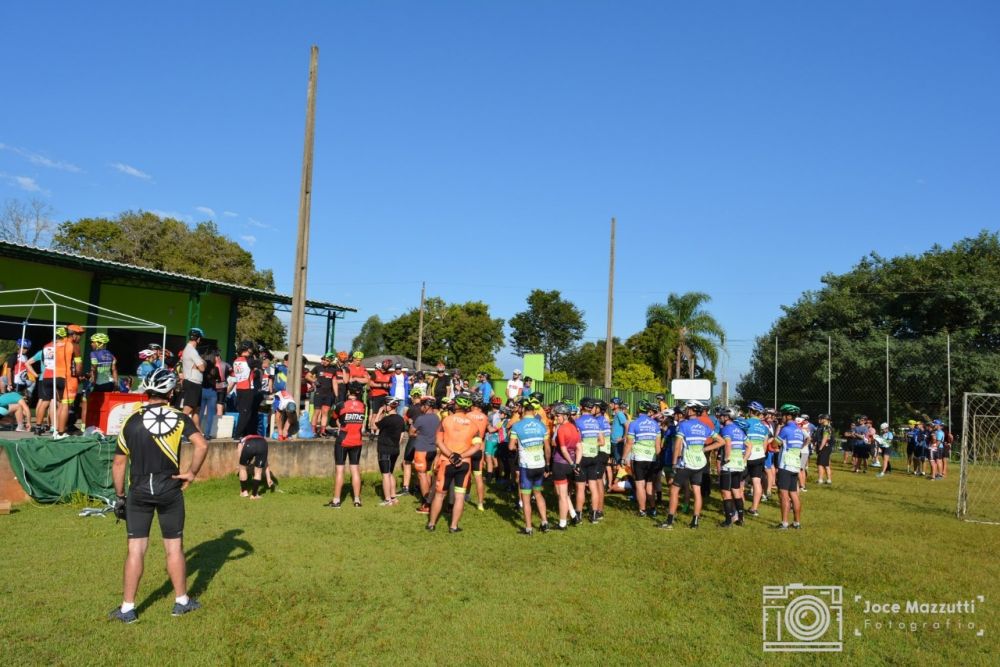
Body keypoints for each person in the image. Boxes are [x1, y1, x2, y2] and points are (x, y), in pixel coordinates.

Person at [108, 367, 208, 623]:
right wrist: (191, 473)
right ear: (171, 393)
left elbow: (119, 463)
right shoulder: (180, 417)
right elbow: (201, 445)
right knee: (174, 548)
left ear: (147, 391)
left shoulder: (131, 420)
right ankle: (181, 601)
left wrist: (120, 496)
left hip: (139, 490)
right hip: (169, 489)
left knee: (135, 550)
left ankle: (128, 608)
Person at [659, 400, 723, 529]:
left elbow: (677, 446)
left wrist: (674, 463)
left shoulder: (683, 425)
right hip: (700, 463)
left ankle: (670, 521)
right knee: (697, 491)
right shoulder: (704, 426)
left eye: (687, 408)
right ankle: (695, 522)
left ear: (692, 410)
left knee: (674, 490)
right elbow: (721, 441)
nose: (685, 410)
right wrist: (705, 449)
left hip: (686, 463)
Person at [427, 392, 482, 533]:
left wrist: (451, 455)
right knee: (459, 496)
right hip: (464, 463)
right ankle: (453, 526)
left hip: (447, 461)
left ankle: (431, 524)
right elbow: (477, 446)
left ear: (457, 405)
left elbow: (438, 441)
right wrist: (461, 456)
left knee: (440, 495)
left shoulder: (446, 420)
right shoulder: (474, 425)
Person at [508, 398, 550, 535]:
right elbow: (547, 448)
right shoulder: (542, 425)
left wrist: (517, 446)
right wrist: (548, 464)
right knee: (538, 493)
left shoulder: (517, 426)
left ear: (523, 410)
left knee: (526, 498)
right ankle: (544, 522)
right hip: (540, 464)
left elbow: (510, 446)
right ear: (534, 411)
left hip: (526, 466)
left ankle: (528, 528)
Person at [326, 382, 367, 508]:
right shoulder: (363, 406)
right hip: (357, 441)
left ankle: (336, 500)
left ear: (349, 392)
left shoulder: (341, 405)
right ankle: (357, 500)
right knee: (355, 469)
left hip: (343, 440)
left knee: (340, 470)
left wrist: (340, 424)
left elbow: (332, 421)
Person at [621, 400, 662, 518]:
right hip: (652, 458)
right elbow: (658, 445)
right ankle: (653, 508)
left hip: (639, 458)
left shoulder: (634, 423)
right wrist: (658, 458)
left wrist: (623, 458)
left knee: (640, 484)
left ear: (638, 410)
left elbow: (629, 443)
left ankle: (642, 510)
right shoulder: (655, 424)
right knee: (649, 484)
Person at [774, 403, 805, 529]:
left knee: (784, 494)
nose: (781, 417)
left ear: (788, 416)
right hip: (795, 465)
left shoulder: (785, 429)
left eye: (783, 415)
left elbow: (775, 444)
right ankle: (797, 523)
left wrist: (778, 431)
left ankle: (784, 523)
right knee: (794, 494)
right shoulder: (799, 430)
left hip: (785, 464)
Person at [574, 397, 606, 524]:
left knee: (580, 487)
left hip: (582, 457)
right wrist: (592, 444)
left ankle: (579, 515)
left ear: (582, 407)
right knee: (593, 486)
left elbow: (576, 441)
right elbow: (602, 442)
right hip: (594, 456)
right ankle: (594, 515)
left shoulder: (577, 422)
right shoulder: (597, 422)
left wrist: (584, 445)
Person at [549, 402, 581, 529]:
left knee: (561, 496)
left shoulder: (561, 429)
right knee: (563, 493)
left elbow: (562, 449)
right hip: (570, 464)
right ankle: (573, 515)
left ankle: (562, 523)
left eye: (558, 416)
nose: (556, 418)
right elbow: (579, 447)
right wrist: (576, 463)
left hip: (560, 464)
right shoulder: (574, 427)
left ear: (565, 416)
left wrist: (573, 464)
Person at [717, 407, 749, 527]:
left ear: (727, 417)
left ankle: (728, 520)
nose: (720, 418)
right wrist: (744, 459)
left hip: (729, 465)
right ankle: (740, 518)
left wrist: (726, 458)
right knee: (736, 491)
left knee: (726, 493)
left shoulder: (726, 429)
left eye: (721, 416)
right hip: (739, 465)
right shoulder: (739, 430)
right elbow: (749, 445)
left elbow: (728, 444)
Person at [409, 397, 441, 513]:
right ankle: (430, 500)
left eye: (422, 406)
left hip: (422, 449)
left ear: (426, 406)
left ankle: (426, 504)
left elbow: (411, 433)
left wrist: (418, 433)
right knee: (428, 474)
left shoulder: (420, 418)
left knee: (421, 475)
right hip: (433, 449)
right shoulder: (437, 418)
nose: (420, 408)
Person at [54, 324, 84, 440]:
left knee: (61, 404)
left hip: (57, 376)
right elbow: (78, 365)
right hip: (69, 378)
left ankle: (57, 430)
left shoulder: (58, 344)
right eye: (79, 335)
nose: (80, 338)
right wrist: (80, 376)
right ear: (74, 334)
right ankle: (61, 433)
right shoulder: (74, 345)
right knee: (66, 405)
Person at [375, 398, 406, 505]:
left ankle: (387, 500)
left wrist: (379, 412)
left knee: (385, 474)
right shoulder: (400, 419)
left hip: (385, 449)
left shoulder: (387, 419)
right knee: (390, 473)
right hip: (395, 449)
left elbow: (374, 426)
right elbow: (402, 434)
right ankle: (393, 497)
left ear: (388, 406)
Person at [743, 401, 771, 516]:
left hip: (747, 455)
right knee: (756, 481)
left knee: (740, 482)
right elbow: (765, 446)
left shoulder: (745, 423)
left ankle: (739, 507)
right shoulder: (764, 427)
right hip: (760, 456)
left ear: (750, 411)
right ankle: (754, 509)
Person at [230, 341, 257, 439]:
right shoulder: (249, 360)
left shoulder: (236, 360)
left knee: (243, 413)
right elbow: (260, 365)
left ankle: (243, 434)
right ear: (248, 349)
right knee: (245, 414)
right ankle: (237, 435)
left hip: (239, 389)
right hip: (247, 389)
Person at [179, 328, 206, 429]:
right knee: (187, 410)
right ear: (198, 339)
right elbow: (202, 368)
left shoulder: (188, 349)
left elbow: (199, 366)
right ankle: (178, 431)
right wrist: (203, 363)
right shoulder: (192, 351)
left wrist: (197, 365)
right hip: (193, 383)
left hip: (193, 382)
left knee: (196, 411)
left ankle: (198, 432)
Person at [307, 353, 339, 437]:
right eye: (323, 359)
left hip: (329, 394)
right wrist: (314, 381)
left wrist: (336, 395)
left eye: (327, 360)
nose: (324, 361)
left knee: (325, 412)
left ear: (331, 361)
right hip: (319, 393)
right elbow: (307, 376)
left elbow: (334, 382)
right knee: (316, 412)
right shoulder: (318, 367)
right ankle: (313, 431)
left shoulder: (333, 369)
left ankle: (322, 431)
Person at [237, 434, 269, 499]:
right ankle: (254, 495)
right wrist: (268, 477)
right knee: (258, 471)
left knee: (242, 468)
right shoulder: (261, 438)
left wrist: (240, 464)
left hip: (250, 444)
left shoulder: (242, 440)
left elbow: (239, 453)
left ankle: (244, 492)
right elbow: (266, 461)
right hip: (263, 444)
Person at [198, 350, 220, 438]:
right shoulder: (215, 369)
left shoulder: (202, 369)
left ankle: (197, 432)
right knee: (210, 414)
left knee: (200, 413)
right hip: (212, 392)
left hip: (202, 390)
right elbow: (219, 381)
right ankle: (207, 434)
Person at [369, 359, 392, 432]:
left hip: (385, 395)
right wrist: (382, 385)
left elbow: (391, 384)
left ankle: (378, 431)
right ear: (383, 364)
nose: (387, 366)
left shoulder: (390, 374)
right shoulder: (375, 372)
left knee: (382, 413)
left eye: (389, 365)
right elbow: (371, 383)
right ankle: (372, 431)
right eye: (386, 364)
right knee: (374, 414)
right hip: (376, 395)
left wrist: (388, 385)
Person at [814, 414, 834, 484]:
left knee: (820, 464)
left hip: (824, 447)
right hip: (826, 447)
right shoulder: (825, 427)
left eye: (821, 418)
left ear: (825, 419)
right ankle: (829, 480)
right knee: (826, 464)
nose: (820, 419)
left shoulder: (826, 427)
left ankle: (820, 479)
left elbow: (825, 438)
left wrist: (820, 448)